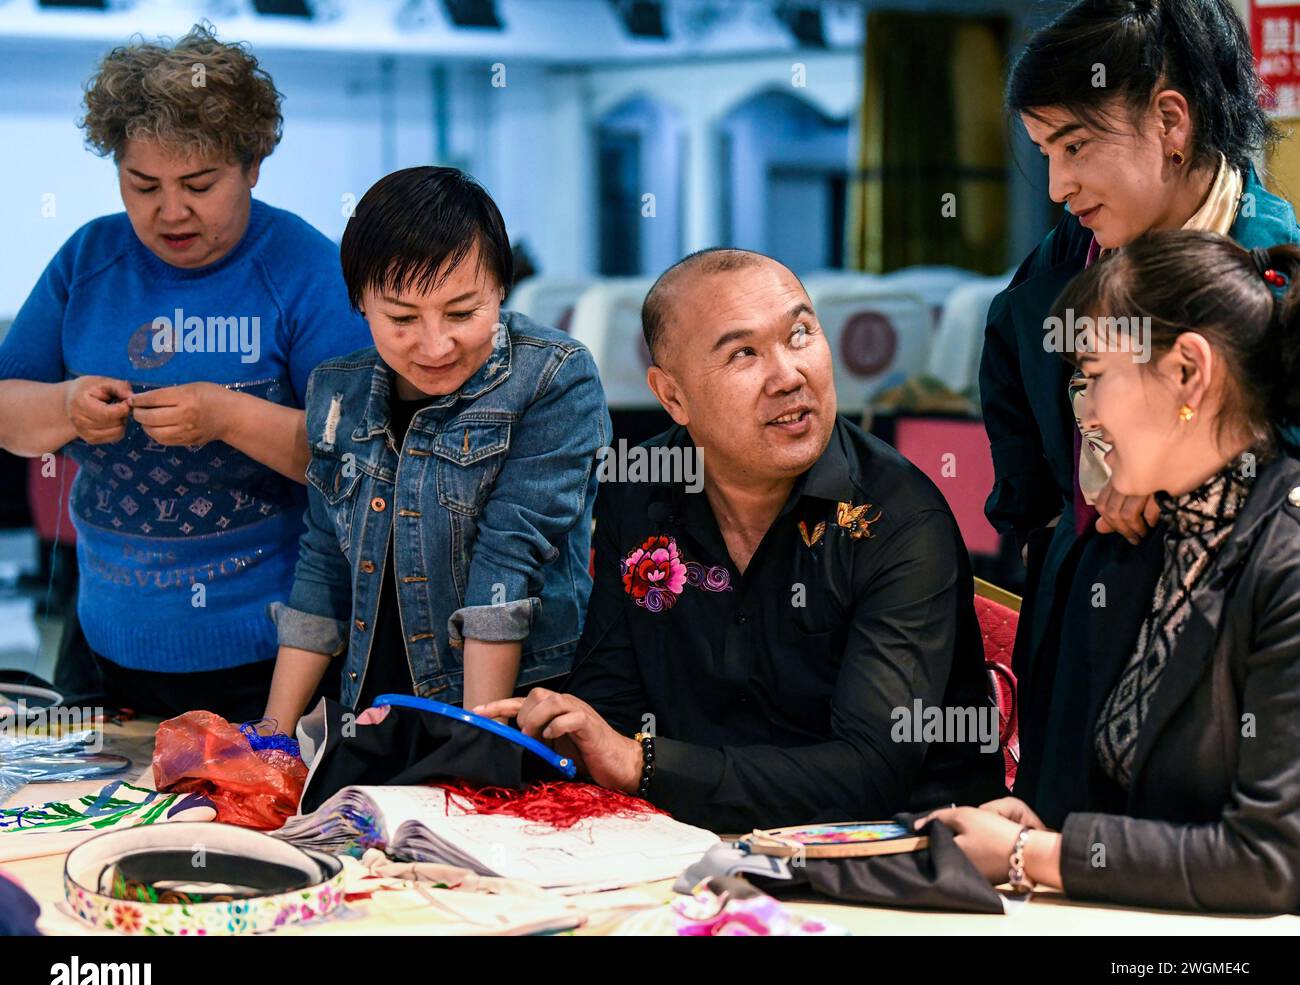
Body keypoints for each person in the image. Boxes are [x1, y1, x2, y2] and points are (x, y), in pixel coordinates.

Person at [478, 248, 1004, 833]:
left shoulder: (897, 518)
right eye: (744, 353)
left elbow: (871, 771)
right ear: (672, 396)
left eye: (801, 333)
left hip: (899, 858)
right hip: (690, 842)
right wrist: (564, 732)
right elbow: (613, 704)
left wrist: (641, 763)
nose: (789, 376)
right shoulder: (641, 490)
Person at [979, 0, 1300, 825]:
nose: (1057, 186)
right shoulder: (1049, 277)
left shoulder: (1273, 272)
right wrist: (1071, 517)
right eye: (1045, 153)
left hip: (1232, 633)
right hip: (1083, 617)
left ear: (1169, 121)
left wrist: (1172, 478)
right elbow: (1024, 482)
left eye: (1076, 146)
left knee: (1206, 864)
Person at [0, 24, 370, 722]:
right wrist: (66, 406)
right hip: (103, 643)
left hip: (269, 654)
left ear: (252, 165)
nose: (170, 211)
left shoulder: (305, 269)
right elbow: (8, 412)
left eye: (199, 184)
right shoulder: (88, 260)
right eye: (142, 185)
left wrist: (230, 417)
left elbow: (362, 458)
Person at [922, 232, 1300, 914]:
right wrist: (1043, 834)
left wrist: (1032, 856)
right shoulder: (1142, 543)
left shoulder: (1286, 560)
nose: (1085, 417)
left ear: (1189, 373)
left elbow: (1272, 860)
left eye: (1094, 377)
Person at [262, 167, 611, 729]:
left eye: (462, 312)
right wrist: (271, 738)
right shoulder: (337, 389)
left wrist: (476, 739)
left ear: (501, 287)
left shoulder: (551, 377)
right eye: (400, 317)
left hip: (515, 703)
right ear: (359, 304)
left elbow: (508, 560)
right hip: (374, 707)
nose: (434, 344)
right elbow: (324, 563)